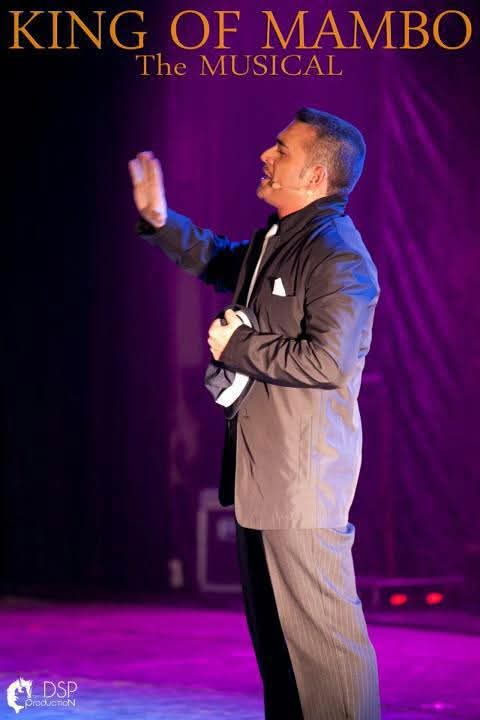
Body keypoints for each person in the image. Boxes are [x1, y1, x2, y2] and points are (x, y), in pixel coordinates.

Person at [129, 107, 381, 720]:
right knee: (281, 653)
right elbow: (220, 259)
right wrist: (161, 221)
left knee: (325, 650)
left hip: (301, 484)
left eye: (281, 150)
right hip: (260, 480)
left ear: (316, 175)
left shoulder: (337, 255)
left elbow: (327, 362)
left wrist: (237, 345)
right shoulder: (280, 240)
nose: (266, 156)